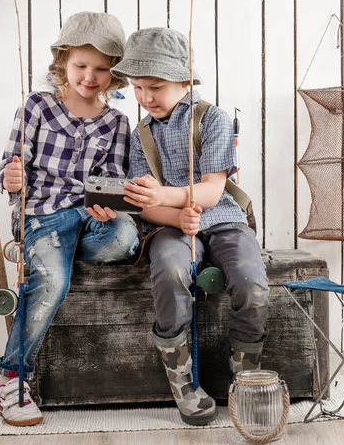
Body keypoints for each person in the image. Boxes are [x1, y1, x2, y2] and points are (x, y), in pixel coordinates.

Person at [111, 28, 269, 426]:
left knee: (251, 281)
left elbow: (213, 191)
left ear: (185, 81)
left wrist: (166, 196)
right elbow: (145, 208)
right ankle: (181, 381)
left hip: (224, 221)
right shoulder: (140, 136)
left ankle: (246, 375)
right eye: (138, 87)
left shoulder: (212, 118)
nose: (146, 98)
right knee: (168, 269)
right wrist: (173, 215)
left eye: (156, 87)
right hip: (171, 225)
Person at [0, 12, 140, 426]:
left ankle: (56, 256)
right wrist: (10, 176)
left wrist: (110, 204)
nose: (90, 77)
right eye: (80, 66)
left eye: (102, 69)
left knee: (124, 237)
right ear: (62, 61)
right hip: (43, 214)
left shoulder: (117, 122)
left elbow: (113, 176)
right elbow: (10, 165)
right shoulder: (37, 106)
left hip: (90, 217)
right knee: (53, 282)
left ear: (116, 74)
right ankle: (12, 378)